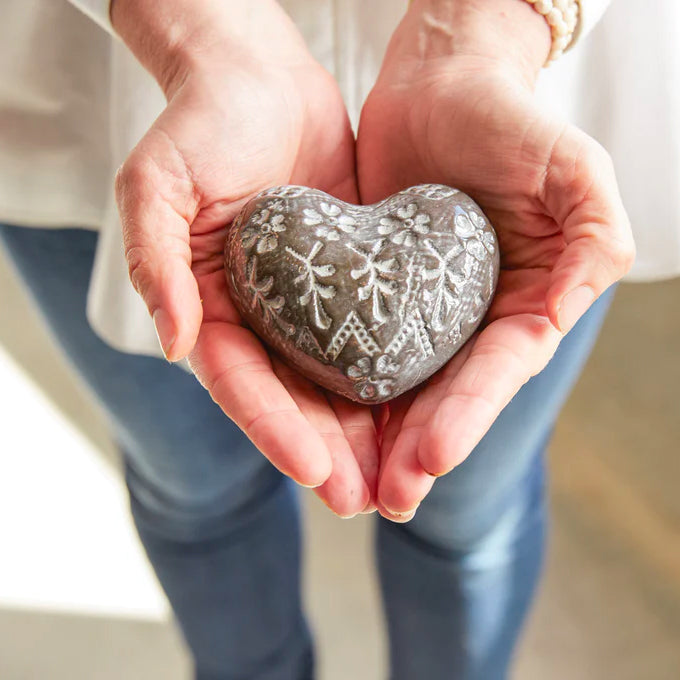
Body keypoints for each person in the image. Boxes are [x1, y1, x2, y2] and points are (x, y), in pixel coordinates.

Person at [4, 0, 669, 678]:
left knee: (470, 509)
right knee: (195, 491)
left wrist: (482, 30)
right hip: (102, 92)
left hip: (519, 109)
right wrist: (201, 34)